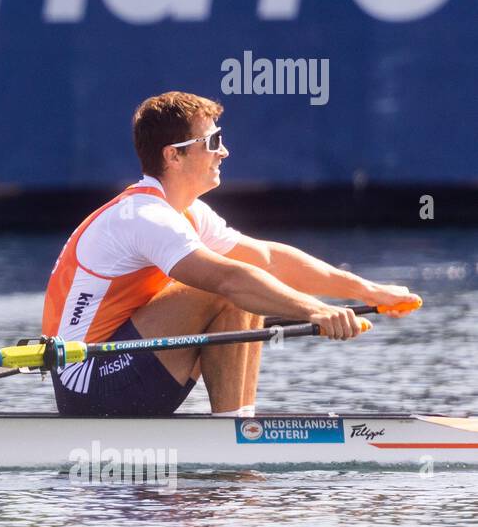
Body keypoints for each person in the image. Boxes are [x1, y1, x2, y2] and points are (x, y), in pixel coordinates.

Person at [41, 92, 419, 417]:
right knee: (229, 287)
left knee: (245, 277)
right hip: (87, 383)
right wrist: (316, 311)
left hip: (121, 368)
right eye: (213, 141)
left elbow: (268, 258)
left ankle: (237, 425)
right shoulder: (145, 216)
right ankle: (236, 435)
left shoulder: (186, 212)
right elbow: (229, 280)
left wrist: (368, 291)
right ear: (173, 156)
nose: (224, 150)